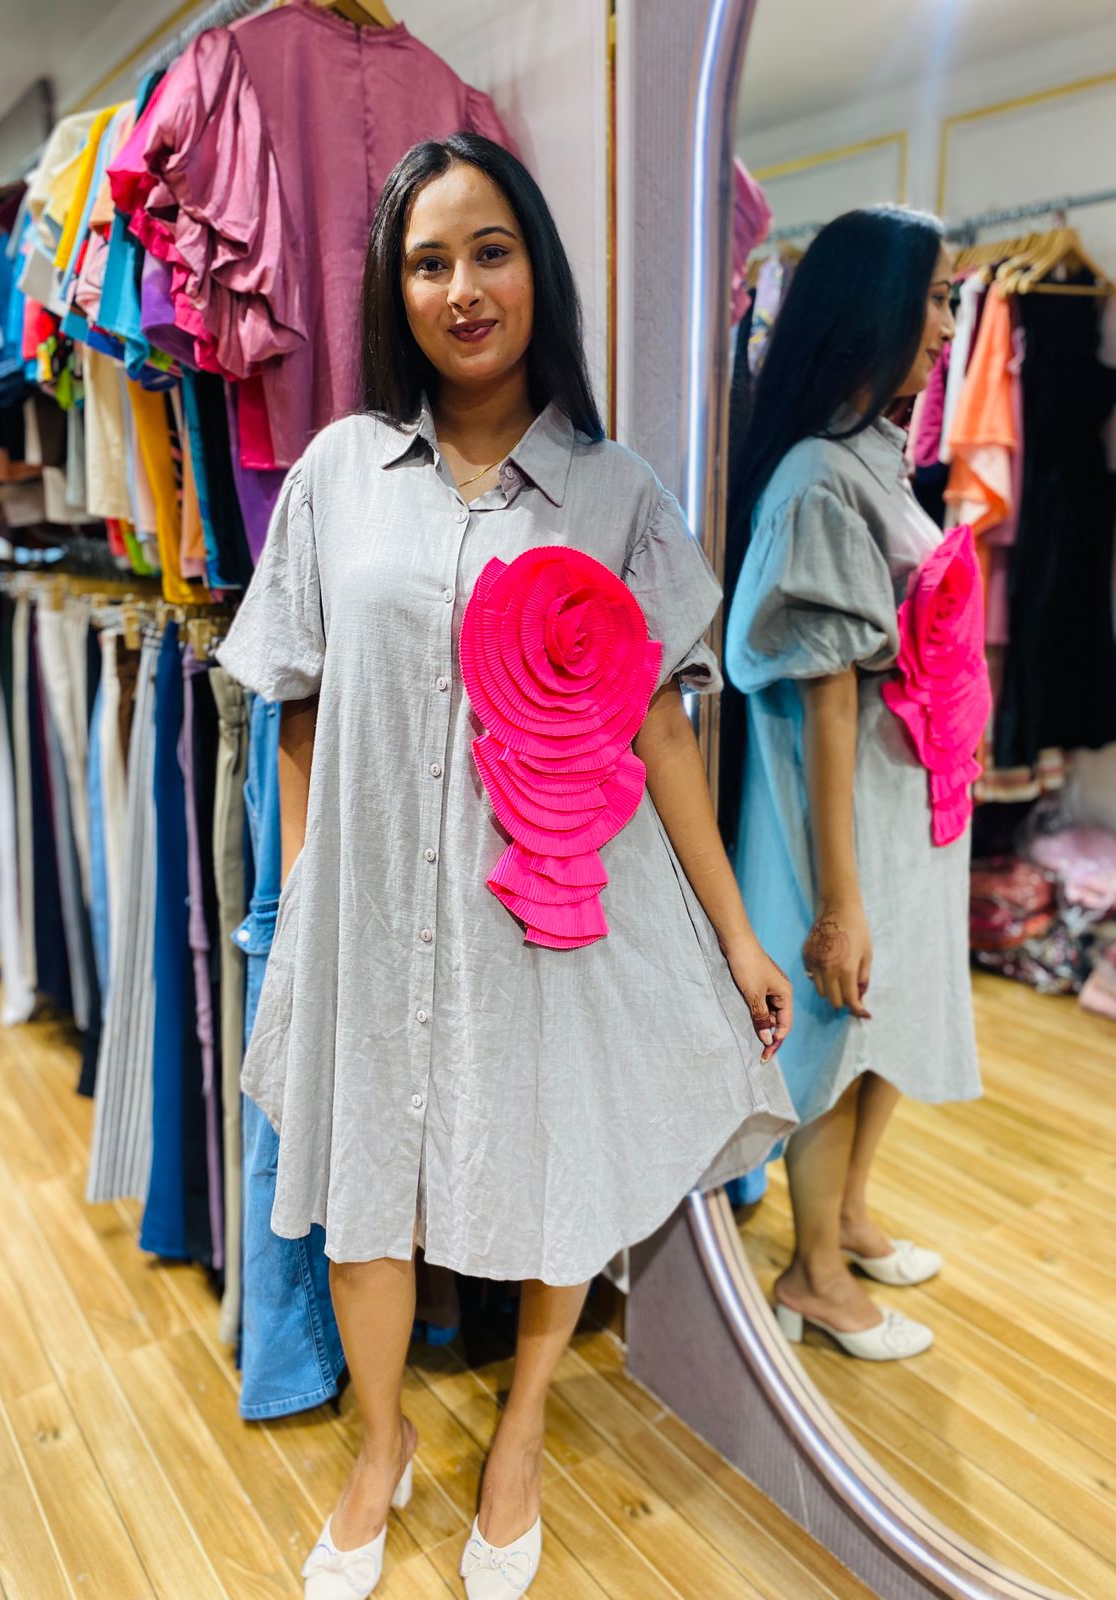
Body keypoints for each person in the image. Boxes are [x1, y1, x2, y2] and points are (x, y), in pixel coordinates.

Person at [217, 133, 796, 1599]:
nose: (463, 288)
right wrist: (302, 902)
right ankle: (379, 1443)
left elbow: (659, 726)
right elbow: (293, 700)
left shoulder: (612, 493)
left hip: (542, 907)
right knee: (363, 1186)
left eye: (491, 251)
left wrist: (734, 935)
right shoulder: (341, 473)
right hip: (368, 905)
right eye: (428, 261)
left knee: (541, 1175)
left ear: (538, 266)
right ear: (389, 290)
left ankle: (522, 1433)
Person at [723, 207, 981, 1363]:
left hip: (900, 801)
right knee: (835, 1028)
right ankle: (815, 1270)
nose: (943, 325)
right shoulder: (818, 479)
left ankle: (849, 1218)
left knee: (889, 1022)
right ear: (869, 305)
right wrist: (841, 897)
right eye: (930, 300)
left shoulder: (874, 452)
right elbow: (826, 695)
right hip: (842, 820)